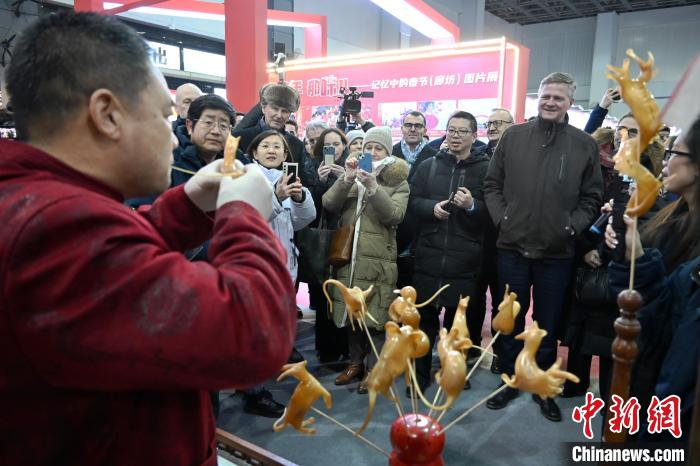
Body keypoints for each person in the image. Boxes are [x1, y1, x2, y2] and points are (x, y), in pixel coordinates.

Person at [1, 11, 294, 465]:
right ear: (107, 115)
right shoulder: (54, 229)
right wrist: (244, 215)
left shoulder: (38, 203)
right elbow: (252, 337)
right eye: (163, 115)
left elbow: (117, 271)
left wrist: (186, 207)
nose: (174, 138)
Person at [483, 72, 603, 421]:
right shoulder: (513, 137)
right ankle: (510, 379)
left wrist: (571, 227)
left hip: (557, 252)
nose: (551, 102)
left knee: (548, 324)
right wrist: (503, 220)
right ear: (539, 98)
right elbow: (492, 184)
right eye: (546, 96)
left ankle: (543, 386)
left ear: (570, 103)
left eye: (558, 98)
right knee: (510, 320)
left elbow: (592, 197)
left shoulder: (584, 144)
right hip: (512, 248)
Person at [604, 116, 700, 443]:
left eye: (674, 152)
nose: (667, 161)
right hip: (645, 363)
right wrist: (632, 248)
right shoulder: (671, 214)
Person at [408, 111, 490, 394]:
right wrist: (430, 208)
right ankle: (419, 376)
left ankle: (454, 373)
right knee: (423, 324)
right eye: (451, 130)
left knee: (458, 327)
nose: (455, 136)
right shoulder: (428, 165)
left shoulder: (487, 169)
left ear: (474, 136)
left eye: (462, 131)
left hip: (465, 260)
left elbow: (494, 213)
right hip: (428, 256)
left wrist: (472, 206)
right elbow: (411, 202)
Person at [323, 127, 409, 393]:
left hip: (377, 260)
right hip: (348, 259)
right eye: (367, 148)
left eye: (378, 148)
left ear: (388, 152)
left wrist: (373, 186)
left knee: (376, 317)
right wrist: (346, 178)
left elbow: (395, 216)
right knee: (352, 314)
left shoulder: (398, 181)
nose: (371, 152)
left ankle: (374, 369)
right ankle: (355, 363)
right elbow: (329, 204)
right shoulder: (352, 175)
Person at [475, 108, 514, 373]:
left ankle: (502, 353)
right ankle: (472, 348)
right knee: (475, 299)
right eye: (489, 123)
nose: (492, 127)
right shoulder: (477, 153)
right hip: (477, 236)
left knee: (503, 301)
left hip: (506, 238)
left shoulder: (519, 156)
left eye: (498, 123)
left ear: (512, 125)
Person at [248, 130, 316, 283]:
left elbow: (302, 221)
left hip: (286, 264)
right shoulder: (244, 179)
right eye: (265, 146)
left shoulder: (287, 181)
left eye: (277, 147)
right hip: (255, 264)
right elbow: (248, 220)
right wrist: (277, 198)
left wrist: (300, 199)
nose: (271, 150)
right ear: (255, 153)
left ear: (285, 155)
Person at [233, 83, 316, 187]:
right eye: (275, 109)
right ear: (263, 108)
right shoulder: (241, 138)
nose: (279, 115)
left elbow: (305, 182)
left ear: (289, 115)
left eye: (284, 111)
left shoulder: (296, 144)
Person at [392, 111, 438, 182]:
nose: (413, 129)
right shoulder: (391, 153)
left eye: (418, 126)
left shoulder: (435, 156)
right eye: (408, 125)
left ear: (425, 131)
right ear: (402, 129)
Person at [173, 83, 203, 148]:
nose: (194, 106)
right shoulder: (167, 133)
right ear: (176, 108)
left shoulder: (213, 131)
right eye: (187, 102)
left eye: (198, 102)